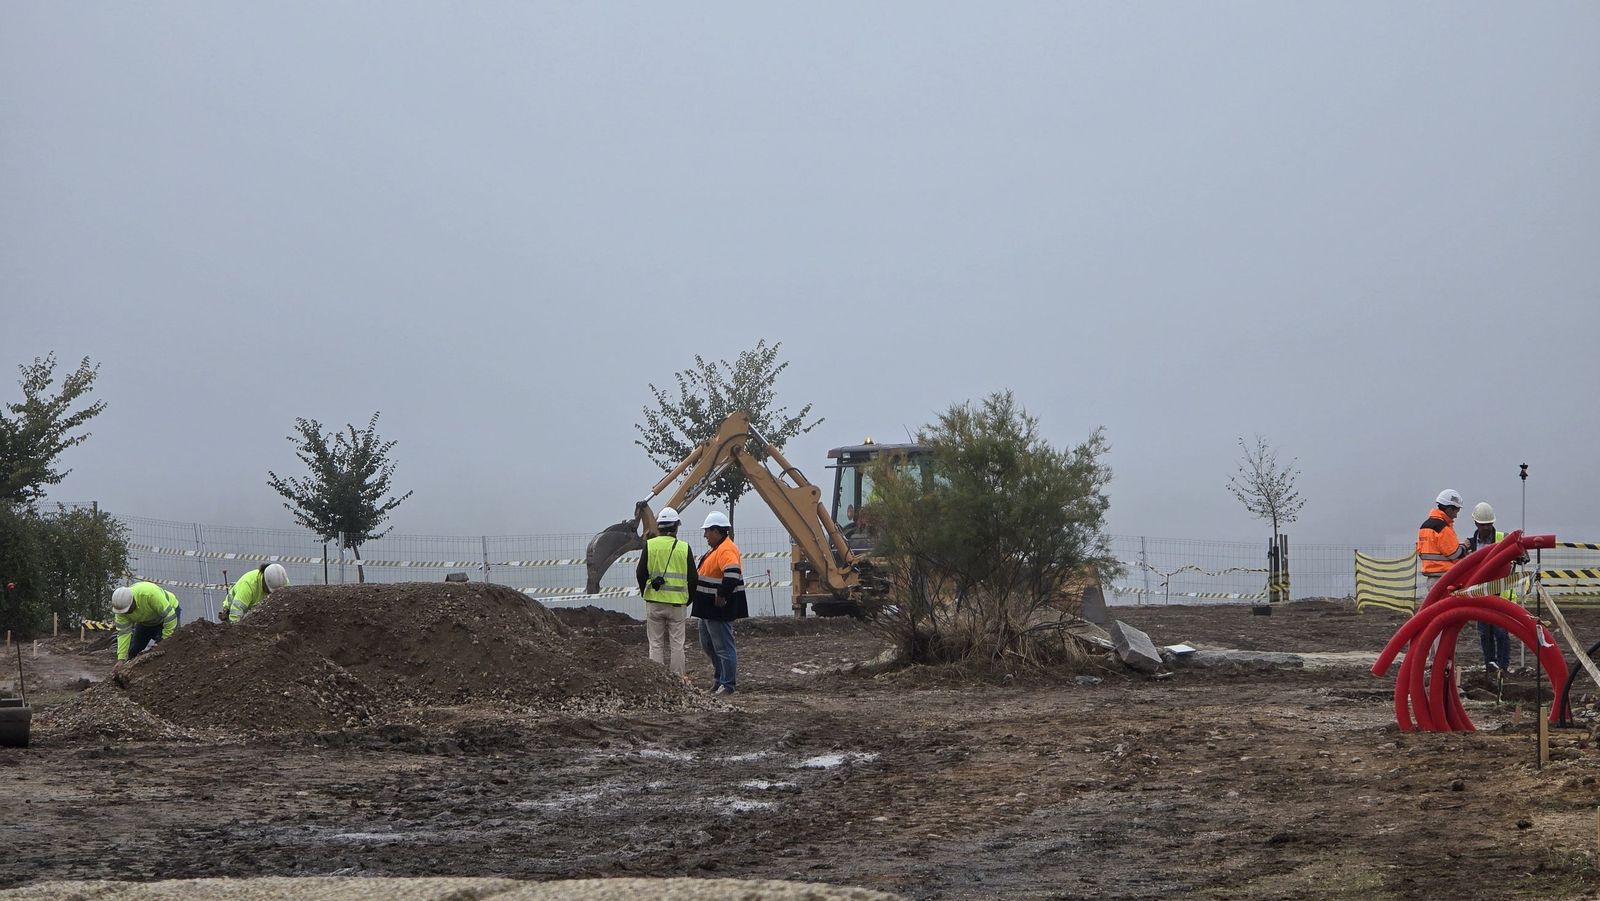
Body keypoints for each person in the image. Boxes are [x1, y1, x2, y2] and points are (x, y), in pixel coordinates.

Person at [692, 510, 748, 694]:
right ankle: (719, 680)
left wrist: (722, 595)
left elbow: (732, 574)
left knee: (723, 647)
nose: (705, 535)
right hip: (708, 609)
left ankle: (727, 685)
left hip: (718, 609)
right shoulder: (716, 549)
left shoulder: (726, 549)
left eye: (707, 531)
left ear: (717, 531)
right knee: (708, 644)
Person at [636, 507, 695, 678]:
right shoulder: (684, 548)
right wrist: (687, 599)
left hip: (654, 603)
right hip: (677, 605)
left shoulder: (650, 545)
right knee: (677, 644)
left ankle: (658, 680)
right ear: (676, 527)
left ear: (659, 527)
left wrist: (646, 593)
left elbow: (640, 573)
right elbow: (693, 577)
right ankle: (677, 681)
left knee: (655, 644)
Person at [1465, 502, 1520, 676]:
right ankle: (1490, 665)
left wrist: (1519, 554)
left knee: (1501, 632)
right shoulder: (1471, 544)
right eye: (1483, 525)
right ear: (1476, 524)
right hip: (1480, 593)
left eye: (1489, 524)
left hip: (1500, 592)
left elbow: (1521, 554)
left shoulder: (1503, 538)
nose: (1487, 528)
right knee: (1484, 633)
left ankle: (1502, 667)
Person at [111, 581, 180, 669]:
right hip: (147, 621)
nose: (126, 613)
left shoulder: (149, 594)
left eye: (128, 609)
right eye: (124, 611)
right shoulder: (121, 610)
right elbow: (123, 634)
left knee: (168, 648)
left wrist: (164, 640)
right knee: (134, 651)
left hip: (169, 615)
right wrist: (121, 659)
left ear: (133, 600)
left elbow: (170, 617)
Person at [1417, 489, 1468, 594]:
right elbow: (1454, 554)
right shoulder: (1442, 527)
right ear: (1449, 510)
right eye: (1456, 511)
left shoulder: (1425, 526)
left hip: (1432, 578)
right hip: (1445, 578)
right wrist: (1464, 547)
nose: (1456, 515)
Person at [222, 563, 289, 623]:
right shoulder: (248, 585)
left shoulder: (282, 582)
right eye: (270, 591)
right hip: (235, 610)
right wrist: (236, 628)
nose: (271, 594)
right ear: (264, 581)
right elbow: (236, 611)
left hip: (257, 610)